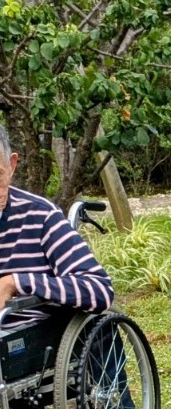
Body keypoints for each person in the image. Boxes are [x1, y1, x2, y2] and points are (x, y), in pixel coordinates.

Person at [0, 122, 113, 315]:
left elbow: (99, 290)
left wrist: (17, 282)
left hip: (29, 336)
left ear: (12, 165)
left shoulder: (41, 216)